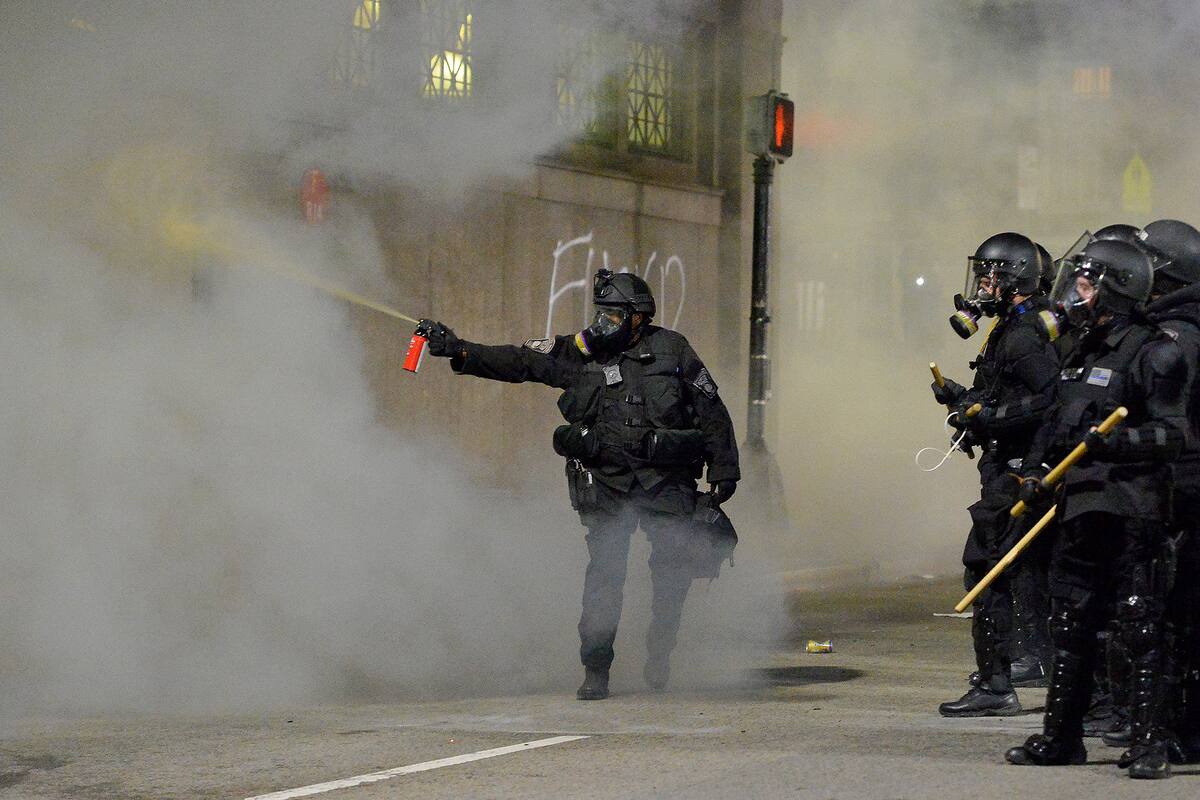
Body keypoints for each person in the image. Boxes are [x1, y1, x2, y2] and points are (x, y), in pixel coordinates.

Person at [420, 269, 739, 700]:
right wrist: (460, 350)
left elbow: (710, 409)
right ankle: (596, 667)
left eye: (613, 315)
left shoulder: (673, 350)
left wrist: (723, 471)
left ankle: (661, 647)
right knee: (605, 574)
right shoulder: (582, 352)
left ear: (637, 317)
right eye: (600, 314)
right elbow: (522, 362)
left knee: (671, 571)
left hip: (665, 481)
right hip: (607, 482)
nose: (603, 323)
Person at [1005, 238, 1188, 779]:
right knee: (1073, 625)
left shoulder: (1157, 351)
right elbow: (1055, 428)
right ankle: (1060, 738)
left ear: (1114, 288)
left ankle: (1149, 742)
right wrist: (1036, 474)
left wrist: (1116, 444)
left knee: (1141, 626)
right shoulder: (1078, 353)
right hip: (1080, 510)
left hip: (1132, 511)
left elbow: (1171, 434)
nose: (1074, 296)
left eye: (1084, 286)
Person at [932, 232, 1059, 716]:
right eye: (981, 274)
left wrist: (986, 418)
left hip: (1019, 470)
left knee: (984, 565)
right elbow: (1006, 392)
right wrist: (965, 402)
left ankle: (996, 684)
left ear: (1015, 278)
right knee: (1025, 570)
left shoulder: (1026, 333)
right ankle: (1032, 661)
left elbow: (1050, 401)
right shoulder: (1013, 326)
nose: (982, 285)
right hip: (1012, 465)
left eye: (992, 275)